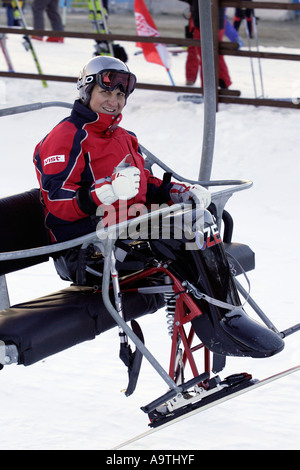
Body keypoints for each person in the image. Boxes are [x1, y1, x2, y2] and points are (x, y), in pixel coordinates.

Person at [33, 55, 211, 284]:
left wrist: (176, 191)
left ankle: (217, 314)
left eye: (119, 95)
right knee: (179, 242)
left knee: (201, 220)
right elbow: (56, 198)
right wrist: (103, 192)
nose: (113, 101)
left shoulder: (123, 136)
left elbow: (143, 182)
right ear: (87, 92)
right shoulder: (67, 137)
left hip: (125, 229)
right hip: (84, 248)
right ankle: (212, 315)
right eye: (105, 93)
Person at [184, 0, 232, 89]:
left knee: (208, 55)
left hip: (212, 21)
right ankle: (221, 83)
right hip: (202, 21)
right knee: (207, 54)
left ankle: (215, 85)